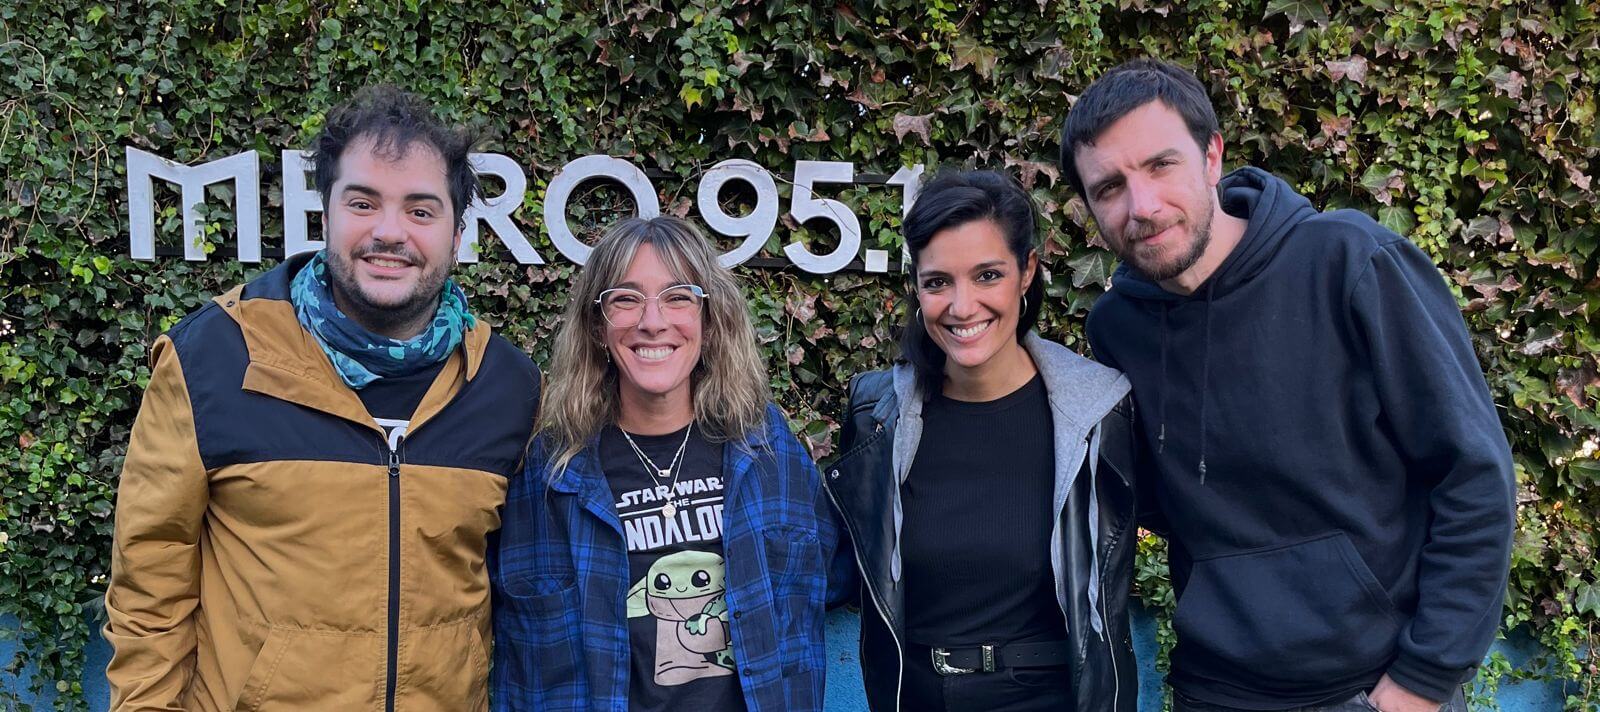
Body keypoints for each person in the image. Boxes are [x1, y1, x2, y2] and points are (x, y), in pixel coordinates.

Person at [1059, 59, 1515, 712]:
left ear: (1212, 156)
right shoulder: (1117, 328)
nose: (1142, 207)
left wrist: (1425, 678)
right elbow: (1157, 499)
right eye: (1109, 188)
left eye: (1161, 165)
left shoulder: (1350, 264)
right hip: (1213, 691)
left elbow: (1473, 474)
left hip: (1371, 689)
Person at [103, 85, 540, 711]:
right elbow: (149, 587)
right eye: (363, 203)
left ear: (456, 230)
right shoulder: (213, 359)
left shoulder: (505, 385)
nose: (390, 232)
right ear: (327, 213)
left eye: (421, 210)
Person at [489, 216, 838, 712]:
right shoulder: (552, 470)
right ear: (597, 325)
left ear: (709, 319)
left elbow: (823, 572)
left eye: (678, 296)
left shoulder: (767, 449)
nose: (653, 321)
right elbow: (521, 643)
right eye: (626, 299)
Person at [824, 170, 1139, 712]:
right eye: (938, 282)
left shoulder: (1098, 415)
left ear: (1027, 272)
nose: (962, 306)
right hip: (913, 698)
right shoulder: (878, 416)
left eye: (987, 275)